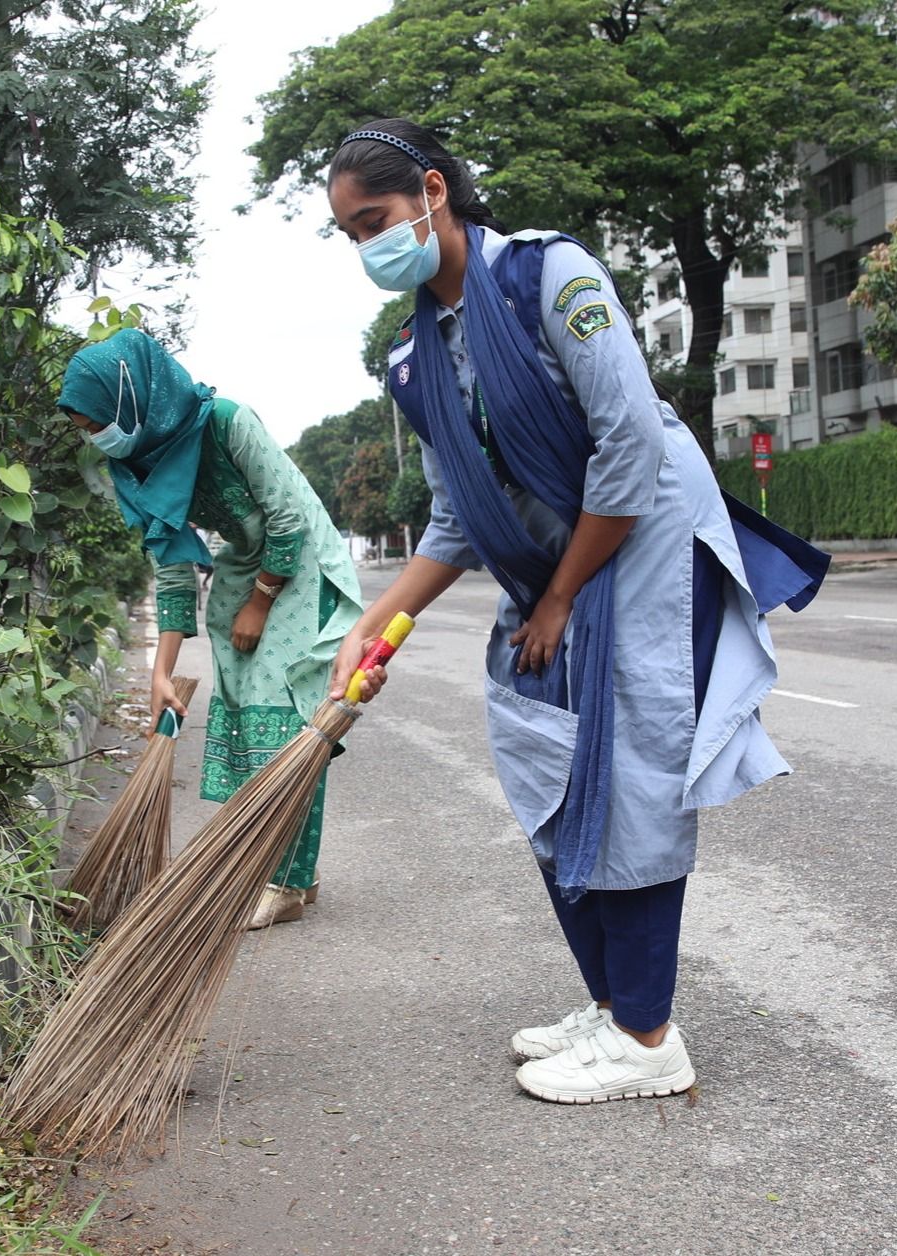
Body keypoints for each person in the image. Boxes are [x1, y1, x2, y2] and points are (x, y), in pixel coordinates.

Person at [322, 120, 828, 1104]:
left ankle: (646, 1035)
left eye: (372, 219)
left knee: (629, 782)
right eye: (348, 234)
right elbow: (453, 514)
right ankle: (610, 1003)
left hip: (641, 550)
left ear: (432, 190)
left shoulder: (551, 279)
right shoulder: (419, 354)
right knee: (550, 769)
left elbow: (628, 446)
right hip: (553, 569)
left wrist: (558, 597)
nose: (366, 247)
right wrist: (376, 621)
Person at [59, 329, 366, 929]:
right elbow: (172, 565)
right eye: (83, 430)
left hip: (300, 562)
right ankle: (289, 873)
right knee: (249, 718)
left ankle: (283, 882)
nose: (94, 438)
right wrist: (161, 671)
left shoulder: (227, 422)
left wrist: (261, 602)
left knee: (284, 721)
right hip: (244, 565)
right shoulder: (138, 461)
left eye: (95, 423)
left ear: (129, 400)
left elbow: (287, 517)